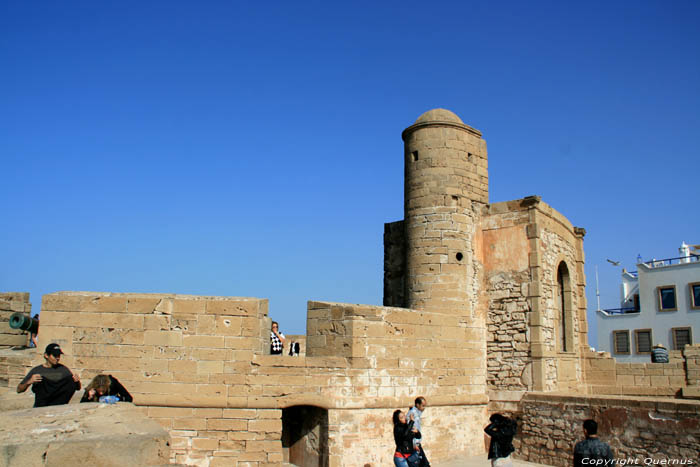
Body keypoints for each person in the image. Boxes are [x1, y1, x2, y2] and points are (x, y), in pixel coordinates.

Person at [17, 343, 81, 407]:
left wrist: (77, 381)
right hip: (41, 406)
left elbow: (77, 387)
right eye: (55, 355)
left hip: (59, 406)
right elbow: (19, 389)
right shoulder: (37, 370)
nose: (57, 358)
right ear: (46, 355)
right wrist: (29, 382)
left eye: (58, 355)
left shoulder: (63, 370)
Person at [407, 397, 430, 467]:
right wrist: (415, 444)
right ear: (417, 405)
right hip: (415, 444)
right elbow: (412, 430)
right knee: (423, 464)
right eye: (423, 406)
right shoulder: (414, 414)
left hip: (415, 444)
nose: (424, 408)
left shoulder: (415, 412)